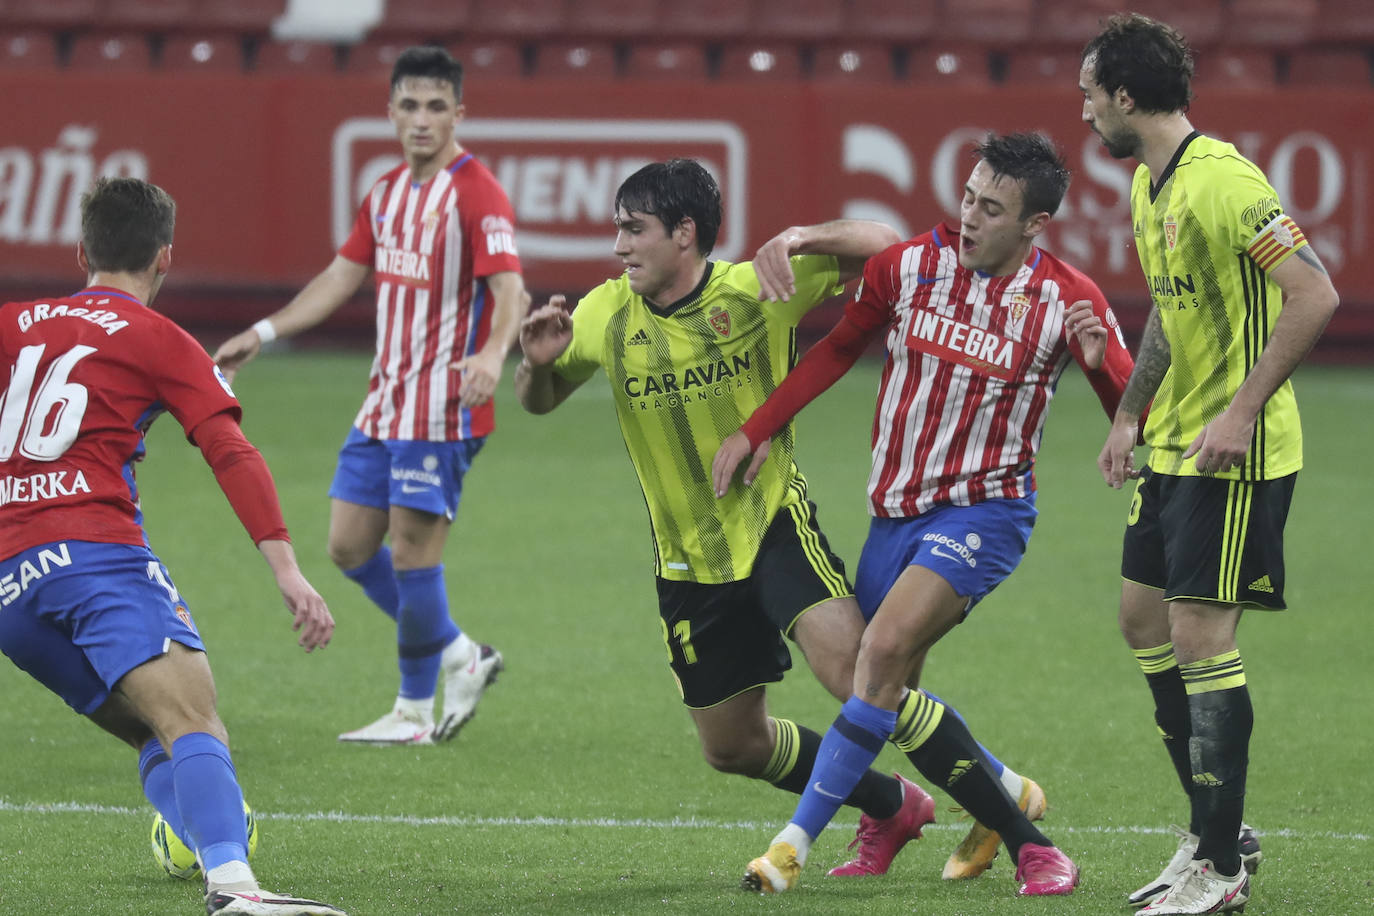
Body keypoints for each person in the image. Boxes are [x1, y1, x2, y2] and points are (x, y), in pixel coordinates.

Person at [516, 158, 1047, 886]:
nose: (618, 246)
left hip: (772, 528)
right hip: (685, 563)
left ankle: (1005, 798)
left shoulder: (754, 290)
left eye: (633, 230)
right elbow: (537, 400)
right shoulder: (606, 313)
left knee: (861, 672)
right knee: (732, 748)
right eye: (617, 229)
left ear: (685, 233)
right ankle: (890, 804)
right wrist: (538, 367)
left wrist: (801, 236)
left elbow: (884, 242)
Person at [715, 132, 1135, 897]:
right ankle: (997, 807)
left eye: (993, 209)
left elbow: (1130, 415)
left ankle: (789, 848)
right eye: (968, 198)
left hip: (985, 513)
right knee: (880, 692)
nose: (970, 218)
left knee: (876, 658)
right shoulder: (908, 266)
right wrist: (756, 428)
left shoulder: (1069, 299)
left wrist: (1104, 360)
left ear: (1035, 224)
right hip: (894, 515)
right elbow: (837, 351)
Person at [0, 177, 346, 915]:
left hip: (11, 587)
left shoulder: (11, 324)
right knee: (193, 719)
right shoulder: (160, 338)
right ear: (165, 258)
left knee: (151, 730)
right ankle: (235, 887)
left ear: (83, 249)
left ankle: (203, 833)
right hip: (96, 557)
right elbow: (230, 450)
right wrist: (286, 568)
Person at [1079, 15, 1340, 915]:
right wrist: (1127, 412)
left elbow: (1315, 291)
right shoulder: (1155, 187)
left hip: (1237, 452)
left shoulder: (1225, 180)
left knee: (1200, 637)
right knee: (1142, 620)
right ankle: (1214, 827)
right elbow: (1166, 309)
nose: (1084, 114)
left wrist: (1240, 411)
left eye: (1088, 94)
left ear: (1124, 96)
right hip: (1173, 445)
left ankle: (1221, 869)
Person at [215, 46, 525, 745]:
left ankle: (415, 709)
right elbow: (338, 277)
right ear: (390, 112)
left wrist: (491, 352)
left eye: (436, 106)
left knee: (415, 559)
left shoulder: (477, 192)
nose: (421, 119)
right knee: (350, 547)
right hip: (384, 402)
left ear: (458, 114)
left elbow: (512, 289)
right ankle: (459, 656)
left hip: (441, 407)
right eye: (409, 106)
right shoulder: (385, 194)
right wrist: (264, 330)